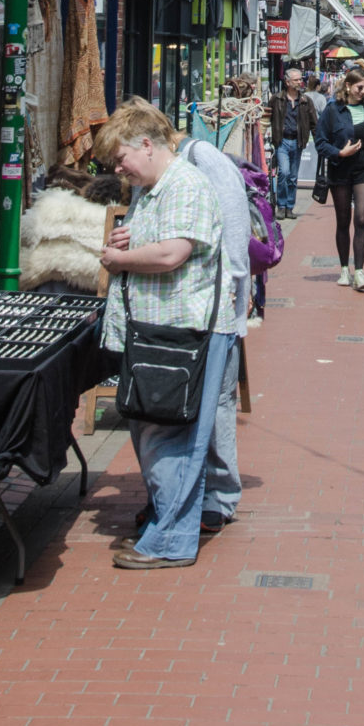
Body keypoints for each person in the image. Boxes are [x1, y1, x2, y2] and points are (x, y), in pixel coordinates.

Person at [95, 101, 236, 572]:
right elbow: (159, 241)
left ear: (147, 146)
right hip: (160, 329)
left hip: (182, 331)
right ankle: (166, 523)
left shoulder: (186, 184)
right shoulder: (155, 188)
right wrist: (129, 242)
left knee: (170, 436)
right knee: (156, 431)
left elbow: (172, 253)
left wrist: (120, 261)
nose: (119, 169)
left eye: (120, 159)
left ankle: (171, 538)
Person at [180, 133, 251, 535]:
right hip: (180, 306)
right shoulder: (152, 172)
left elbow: (235, 224)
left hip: (217, 301)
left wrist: (237, 292)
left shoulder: (201, 157)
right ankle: (178, 492)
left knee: (219, 396)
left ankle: (219, 495)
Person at [314, 67, 364, 291]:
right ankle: (344, 269)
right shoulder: (333, 110)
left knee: (362, 219)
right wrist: (339, 153)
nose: (363, 92)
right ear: (347, 86)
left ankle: (360, 271)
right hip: (340, 169)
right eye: (360, 87)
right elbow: (320, 141)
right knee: (343, 220)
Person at [268, 66, 317, 217]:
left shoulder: (305, 101)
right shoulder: (276, 99)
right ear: (287, 82)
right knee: (284, 172)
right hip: (282, 141)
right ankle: (281, 205)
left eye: (300, 79)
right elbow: (267, 117)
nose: (299, 82)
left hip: (298, 142)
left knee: (293, 176)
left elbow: (313, 122)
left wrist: (319, 142)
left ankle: (289, 206)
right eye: (296, 80)